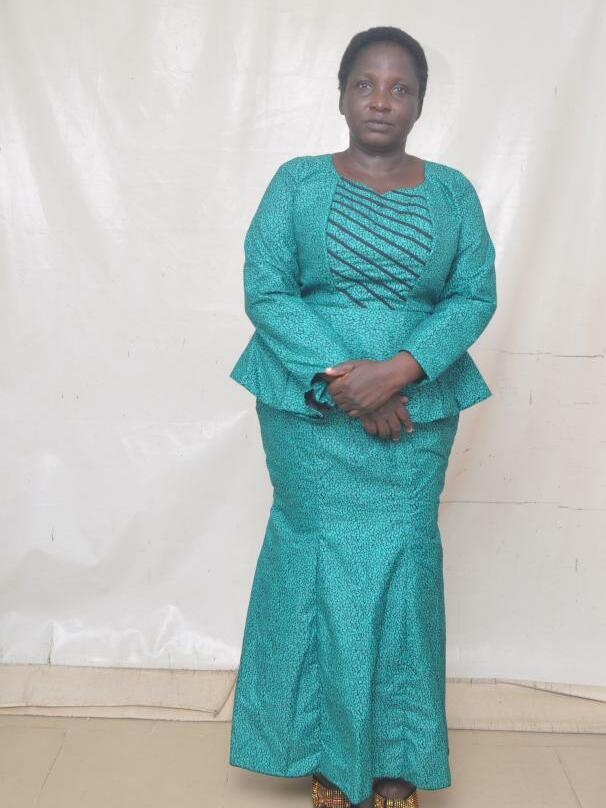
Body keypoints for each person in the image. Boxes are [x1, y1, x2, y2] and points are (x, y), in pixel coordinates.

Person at [228, 25, 497, 808]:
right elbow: (266, 286)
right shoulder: (296, 182)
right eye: (365, 84)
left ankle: (397, 757)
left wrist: (399, 373)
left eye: (400, 87)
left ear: (421, 103)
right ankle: (325, 750)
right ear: (342, 95)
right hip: (308, 404)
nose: (382, 99)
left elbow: (474, 295)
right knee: (317, 560)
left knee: (404, 563)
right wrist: (349, 380)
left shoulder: (453, 192)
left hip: (421, 403)